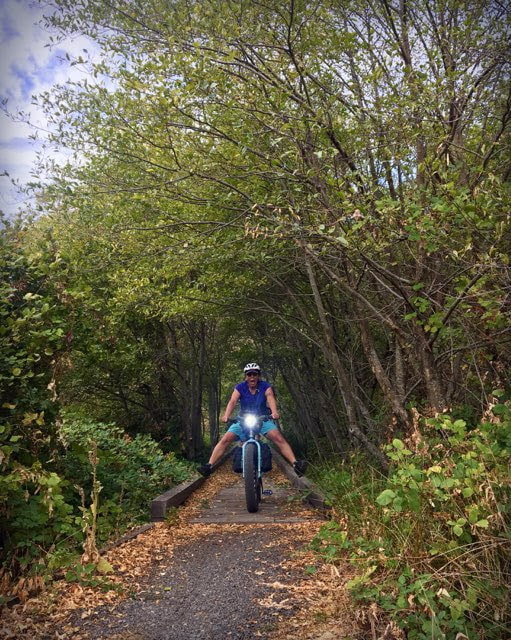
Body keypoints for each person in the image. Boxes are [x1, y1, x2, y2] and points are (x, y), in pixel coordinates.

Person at [198, 363, 307, 477]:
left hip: (263, 419)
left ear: (258, 376)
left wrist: (274, 412)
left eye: (255, 374)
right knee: (225, 439)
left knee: (278, 438)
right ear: (246, 376)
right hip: (243, 419)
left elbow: (270, 397)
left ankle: (296, 464)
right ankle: (208, 466)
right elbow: (233, 401)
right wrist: (226, 415)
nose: (252, 377)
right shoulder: (240, 387)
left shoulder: (265, 386)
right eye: (249, 374)